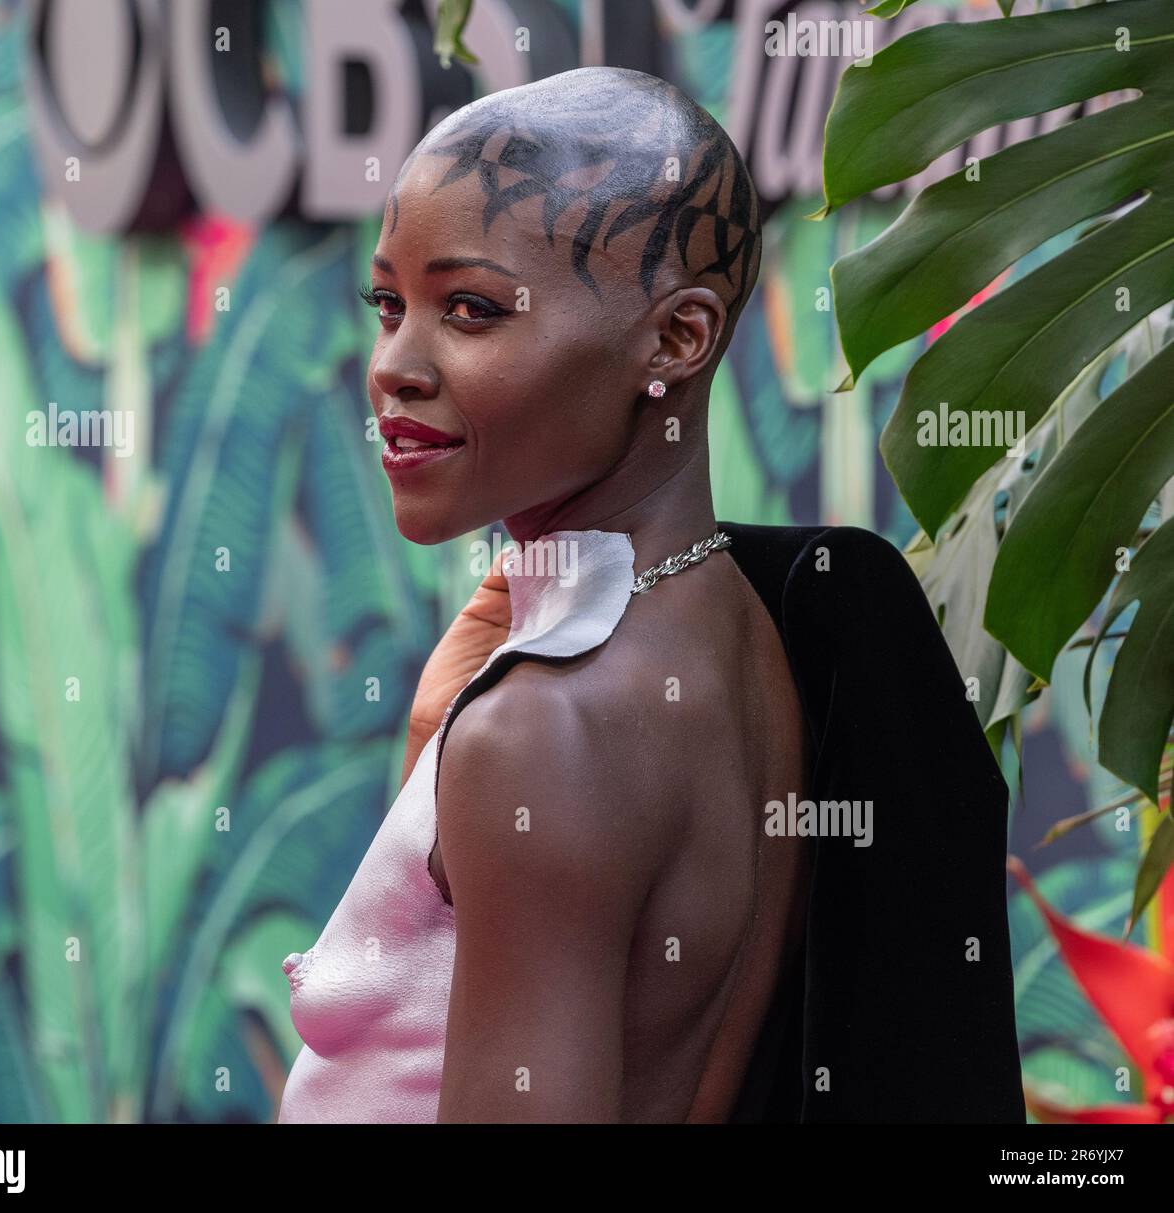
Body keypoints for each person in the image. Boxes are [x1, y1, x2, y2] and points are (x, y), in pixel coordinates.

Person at [277, 66, 1024, 1124]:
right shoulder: (742, 622)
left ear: (674, 339)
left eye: (472, 310)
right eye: (389, 305)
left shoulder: (542, 730)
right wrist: (431, 743)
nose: (394, 365)